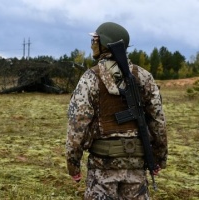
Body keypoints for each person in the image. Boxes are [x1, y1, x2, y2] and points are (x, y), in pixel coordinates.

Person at [65, 22, 168, 199]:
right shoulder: (144, 77)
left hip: (102, 166)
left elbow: (77, 125)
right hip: (136, 164)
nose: (92, 43)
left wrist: (73, 163)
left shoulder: (90, 78)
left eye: (94, 39)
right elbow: (158, 121)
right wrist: (159, 158)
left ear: (105, 44)